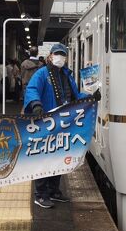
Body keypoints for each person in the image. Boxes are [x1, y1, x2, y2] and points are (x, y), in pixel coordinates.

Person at [23, 43, 99, 209]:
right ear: (50, 56)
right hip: (45, 123)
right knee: (43, 157)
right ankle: (40, 195)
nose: (59, 57)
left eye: (62, 55)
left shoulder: (67, 76)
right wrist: (36, 105)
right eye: (57, 54)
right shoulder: (41, 73)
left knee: (57, 158)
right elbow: (32, 89)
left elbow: (75, 96)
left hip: (63, 124)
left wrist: (91, 96)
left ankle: (54, 191)